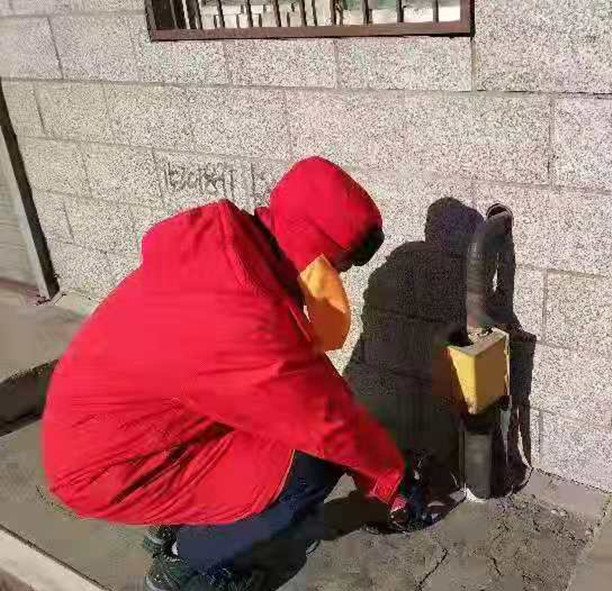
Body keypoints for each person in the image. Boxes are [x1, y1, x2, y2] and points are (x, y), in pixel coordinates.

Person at [41, 158, 428, 591]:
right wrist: (389, 479)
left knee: (287, 435)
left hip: (107, 433)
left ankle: (179, 520)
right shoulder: (244, 313)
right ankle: (183, 562)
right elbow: (327, 423)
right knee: (313, 467)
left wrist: (380, 466)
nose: (339, 278)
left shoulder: (229, 255)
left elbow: (309, 380)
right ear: (317, 256)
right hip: (107, 471)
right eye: (339, 267)